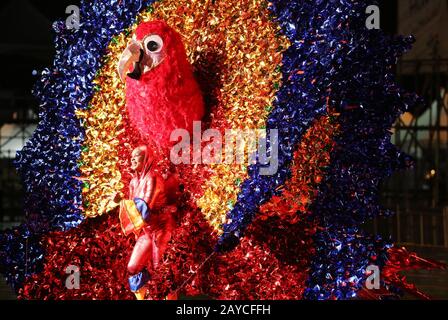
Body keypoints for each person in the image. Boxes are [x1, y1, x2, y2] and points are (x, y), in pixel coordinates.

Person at [113, 145, 178, 300]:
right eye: (132, 156)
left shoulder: (153, 178)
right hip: (147, 229)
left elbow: (143, 208)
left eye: (136, 156)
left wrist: (121, 201)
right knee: (133, 267)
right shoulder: (134, 182)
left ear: (146, 158)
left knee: (160, 269)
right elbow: (133, 210)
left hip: (161, 227)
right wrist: (121, 202)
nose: (132, 159)